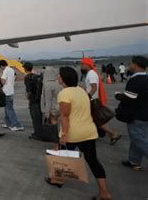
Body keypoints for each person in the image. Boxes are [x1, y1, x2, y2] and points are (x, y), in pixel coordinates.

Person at [46, 67, 111, 200]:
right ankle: (105, 193)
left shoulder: (64, 93)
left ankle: (58, 180)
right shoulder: (82, 91)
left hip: (73, 133)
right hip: (89, 132)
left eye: (59, 76)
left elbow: (65, 116)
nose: (58, 77)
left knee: (59, 155)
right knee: (93, 161)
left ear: (63, 79)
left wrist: (64, 135)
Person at [115, 56, 148, 171]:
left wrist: (118, 95)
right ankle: (134, 161)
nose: (130, 65)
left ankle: (134, 161)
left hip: (136, 115)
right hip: (144, 114)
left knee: (139, 140)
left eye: (131, 63)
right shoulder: (146, 78)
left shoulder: (136, 80)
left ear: (136, 65)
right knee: (136, 139)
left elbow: (130, 97)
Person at [81, 58, 121, 145]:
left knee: (97, 121)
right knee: (94, 120)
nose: (81, 65)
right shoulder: (90, 73)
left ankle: (113, 134)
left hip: (92, 101)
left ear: (87, 64)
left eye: (82, 64)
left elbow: (94, 87)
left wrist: (87, 96)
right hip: (92, 100)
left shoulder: (91, 74)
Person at [0, 60, 24, 131]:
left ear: (1, 66)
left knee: (9, 109)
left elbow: (3, 81)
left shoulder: (5, 71)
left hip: (6, 92)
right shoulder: (11, 70)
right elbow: (15, 78)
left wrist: (0, 78)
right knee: (7, 108)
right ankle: (8, 123)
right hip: (11, 91)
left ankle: (17, 125)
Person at [23, 62, 43, 141]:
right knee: (39, 117)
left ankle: (37, 135)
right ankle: (39, 133)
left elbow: (29, 91)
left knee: (35, 118)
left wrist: (28, 98)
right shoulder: (36, 76)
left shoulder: (27, 77)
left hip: (33, 100)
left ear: (25, 68)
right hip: (39, 99)